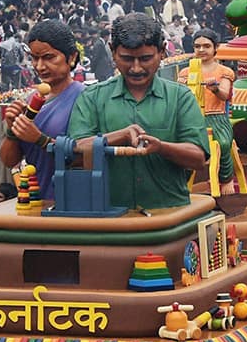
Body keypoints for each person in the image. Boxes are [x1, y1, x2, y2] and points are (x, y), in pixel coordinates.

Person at [68, 12, 209, 210]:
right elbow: (75, 150)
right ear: (112, 52)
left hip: (168, 214)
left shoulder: (180, 98)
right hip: (108, 215)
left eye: (145, 59)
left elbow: (198, 157)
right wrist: (120, 136)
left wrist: (161, 147)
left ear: (162, 52)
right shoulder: (92, 98)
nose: (135, 68)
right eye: (126, 59)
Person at [0, 20, 85, 201]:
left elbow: (87, 157)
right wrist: (13, 129)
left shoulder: (85, 99)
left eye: (48, 57)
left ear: (71, 57)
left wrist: (40, 139)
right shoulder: (32, 100)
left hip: (73, 204)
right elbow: (9, 160)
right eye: (34, 58)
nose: (39, 66)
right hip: (36, 203)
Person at [177, 29, 236, 194]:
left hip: (215, 118)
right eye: (197, 46)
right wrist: (181, 86)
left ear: (215, 47)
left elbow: (224, 95)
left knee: (223, 143)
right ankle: (180, 183)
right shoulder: (185, 72)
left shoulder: (224, 71)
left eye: (206, 46)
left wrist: (215, 89)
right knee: (179, 145)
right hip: (192, 118)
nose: (201, 50)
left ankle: (226, 180)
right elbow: (178, 97)